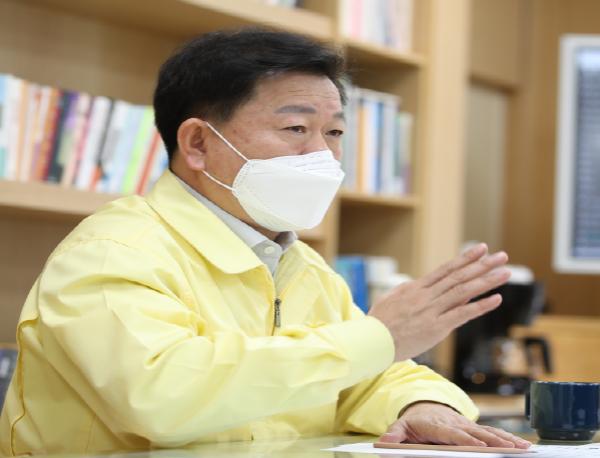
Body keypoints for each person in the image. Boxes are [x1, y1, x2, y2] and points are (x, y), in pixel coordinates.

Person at [0, 28, 530, 455]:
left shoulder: (303, 266)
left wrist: (420, 406)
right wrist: (380, 336)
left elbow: (364, 380)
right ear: (198, 143)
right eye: (297, 129)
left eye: (334, 133)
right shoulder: (112, 252)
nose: (322, 155)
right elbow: (161, 396)